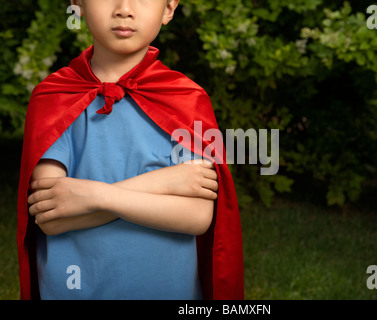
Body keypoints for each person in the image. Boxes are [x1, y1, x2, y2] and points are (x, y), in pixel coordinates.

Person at [17, 0, 244, 300]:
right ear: (77, 4)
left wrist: (92, 196)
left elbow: (198, 215)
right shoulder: (55, 96)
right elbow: (51, 216)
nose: (124, 8)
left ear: (169, 8)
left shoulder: (187, 98)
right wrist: (163, 182)